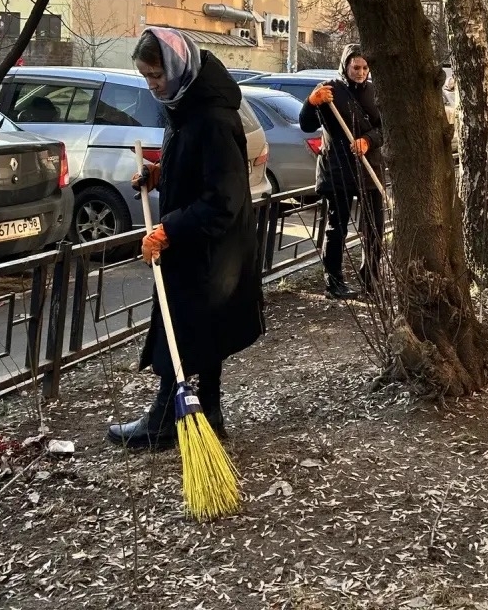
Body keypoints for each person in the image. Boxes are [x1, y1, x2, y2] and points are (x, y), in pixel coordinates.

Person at [107, 27, 265, 451]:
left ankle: (163, 420)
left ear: (177, 66)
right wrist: (161, 175)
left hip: (212, 250)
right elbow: (198, 170)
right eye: (146, 76)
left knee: (181, 331)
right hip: (205, 246)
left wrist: (169, 229)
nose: (152, 85)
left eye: (157, 74)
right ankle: (208, 413)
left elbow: (224, 198)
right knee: (204, 332)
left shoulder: (212, 116)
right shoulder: (186, 101)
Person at [299, 44, 385, 300]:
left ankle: (371, 280)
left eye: (365, 67)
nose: (361, 72)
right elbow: (306, 124)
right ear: (345, 66)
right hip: (338, 169)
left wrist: (368, 140)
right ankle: (334, 282)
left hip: (369, 169)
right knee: (337, 228)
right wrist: (311, 103)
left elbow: (384, 128)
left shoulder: (374, 92)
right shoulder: (329, 91)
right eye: (356, 67)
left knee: (375, 228)